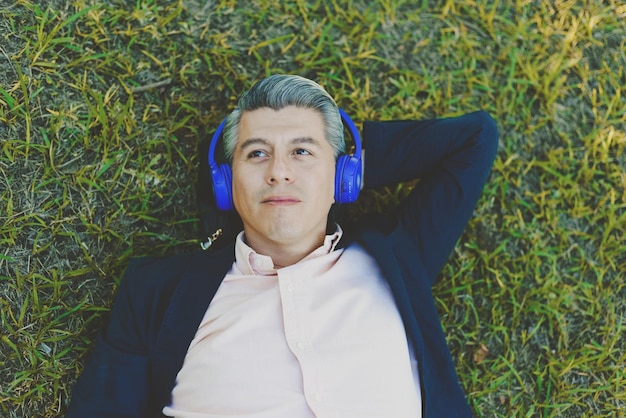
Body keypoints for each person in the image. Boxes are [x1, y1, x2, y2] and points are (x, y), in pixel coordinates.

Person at [67, 74, 498, 417]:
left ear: (344, 177)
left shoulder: (398, 258)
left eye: (302, 152)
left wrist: (351, 166)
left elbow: (474, 138)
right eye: (256, 154)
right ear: (226, 183)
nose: (278, 173)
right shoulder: (154, 290)